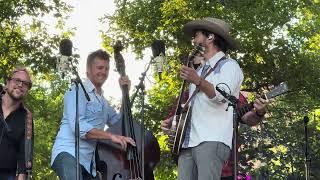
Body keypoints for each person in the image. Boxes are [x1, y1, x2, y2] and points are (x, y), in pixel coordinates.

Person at [161, 17, 244, 180]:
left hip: (212, 140)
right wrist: (176, 122)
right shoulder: (199, 71)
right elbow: (195, 107)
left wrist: (197, 80)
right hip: (188, 142)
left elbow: (221, 96)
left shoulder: (229, 66)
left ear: (211, 37)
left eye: (196, 35)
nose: (193, 39)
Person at [51, 49, 136, 180]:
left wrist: (125, 93)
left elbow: (120, 123)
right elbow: (78, 126)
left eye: (107, 69)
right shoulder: (77, 90)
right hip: (68, 153)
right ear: (88, 70)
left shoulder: (103, 101)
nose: (103, 72)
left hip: (89, 163)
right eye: (100, 68)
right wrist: (111, 136)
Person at [0, 67, 34, 180]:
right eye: (17, 80)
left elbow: (24, 156)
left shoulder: (27, 117)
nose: (20, 85)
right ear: (7, 83)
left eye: (25, 83)